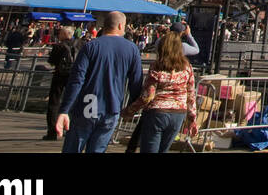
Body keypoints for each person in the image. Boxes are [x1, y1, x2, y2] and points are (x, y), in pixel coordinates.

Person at [54, 12, 142, 153]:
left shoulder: (90, 46)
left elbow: (77, 80)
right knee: (98, 149)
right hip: (111, 108)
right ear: (120, 25)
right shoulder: (132, 49)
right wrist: (132, 108)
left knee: (73, 147)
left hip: (86, 106)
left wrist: (65, 109)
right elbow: (136, 82)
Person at [122, 32, 197, 153]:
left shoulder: (157, 66)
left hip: (156, 113)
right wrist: (192, 119)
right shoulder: (187, 67)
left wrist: (129, 111)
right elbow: (191, 95)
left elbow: (147, 96)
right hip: (178, 113)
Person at [44, 27, 76, 141]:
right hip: (73, 76)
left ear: (64, 34)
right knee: (72, 101)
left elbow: (52, 61)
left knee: (54, 102)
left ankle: (52, 131)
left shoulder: (59, 46)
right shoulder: (77, 45)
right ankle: (71, 128)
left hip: (60, 75)